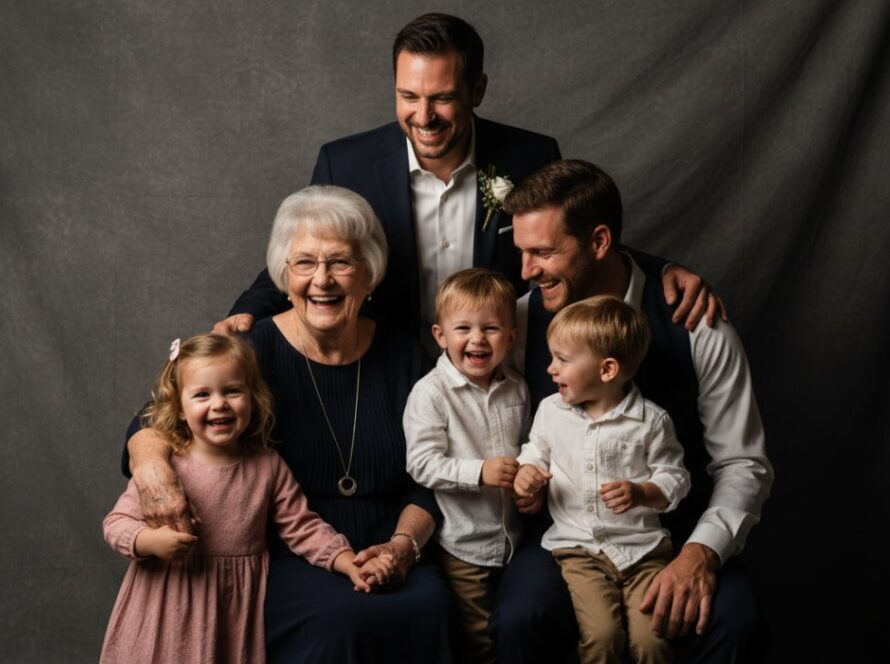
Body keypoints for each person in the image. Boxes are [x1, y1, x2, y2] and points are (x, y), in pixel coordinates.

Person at [214, 13, 721, 352]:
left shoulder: (530, 156)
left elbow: (570, 244)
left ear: (477, 89)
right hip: (384, 367)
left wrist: (660, 269)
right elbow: (302, 257)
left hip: (501, 372)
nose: (424, 117)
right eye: (408, 96)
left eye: (443, 98)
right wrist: (243, 315)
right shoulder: (345, 164)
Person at [125, 186, 455, 663]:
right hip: (288, 550)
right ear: (284, 275)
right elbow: (158, 417)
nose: (322, 280)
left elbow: (431, 477)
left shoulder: (404, 355)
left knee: (432, 608)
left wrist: (402, 547)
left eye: (340, 262)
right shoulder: (251, 349)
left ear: (369, 273)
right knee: (340, 620)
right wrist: (150, 465)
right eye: (304, 263)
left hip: (392, 543)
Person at [492, 159, 774, 663]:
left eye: (543, 252)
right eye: (522, 252)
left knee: (736, 621)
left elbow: (742, 463)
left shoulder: (696, 324)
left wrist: (701, 553)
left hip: (674, 534)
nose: (526, 272)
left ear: (600, 242)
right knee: (520, 618)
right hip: (565, 537)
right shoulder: (517, 323)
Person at [102, 333, 371, 664]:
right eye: (202, 394)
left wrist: (346, 561)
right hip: (167, 602)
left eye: (232, 391)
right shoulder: (167, 467)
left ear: (253, 398)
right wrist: (150, 541)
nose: (219, 404)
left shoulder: (267, 465)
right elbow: (116, 524)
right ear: (180, 409)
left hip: (231, 609)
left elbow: (302, 527)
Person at [513, 295, 690, 664]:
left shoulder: (652, 421)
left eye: (562, 359)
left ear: (607, 369)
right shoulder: (551, 411)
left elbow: (675, 477)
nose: (550, 369)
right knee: (602, 636)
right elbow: (534, 452)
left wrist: (643, 492)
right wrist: (526, 473)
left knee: (652, 641)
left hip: (642, 551)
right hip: (579, 550)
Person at [404, 268, 528, 663]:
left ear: (511, 336)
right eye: (463, 329)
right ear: (440, 335)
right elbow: (421, 463)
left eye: (491, 328)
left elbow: (529, 444)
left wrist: (530, 475)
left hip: (515, 540)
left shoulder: (517, 387)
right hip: (463, 547)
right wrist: (479, 472)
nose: (477, 339)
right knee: (478, 640)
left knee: (516, 628)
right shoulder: (430, 393)